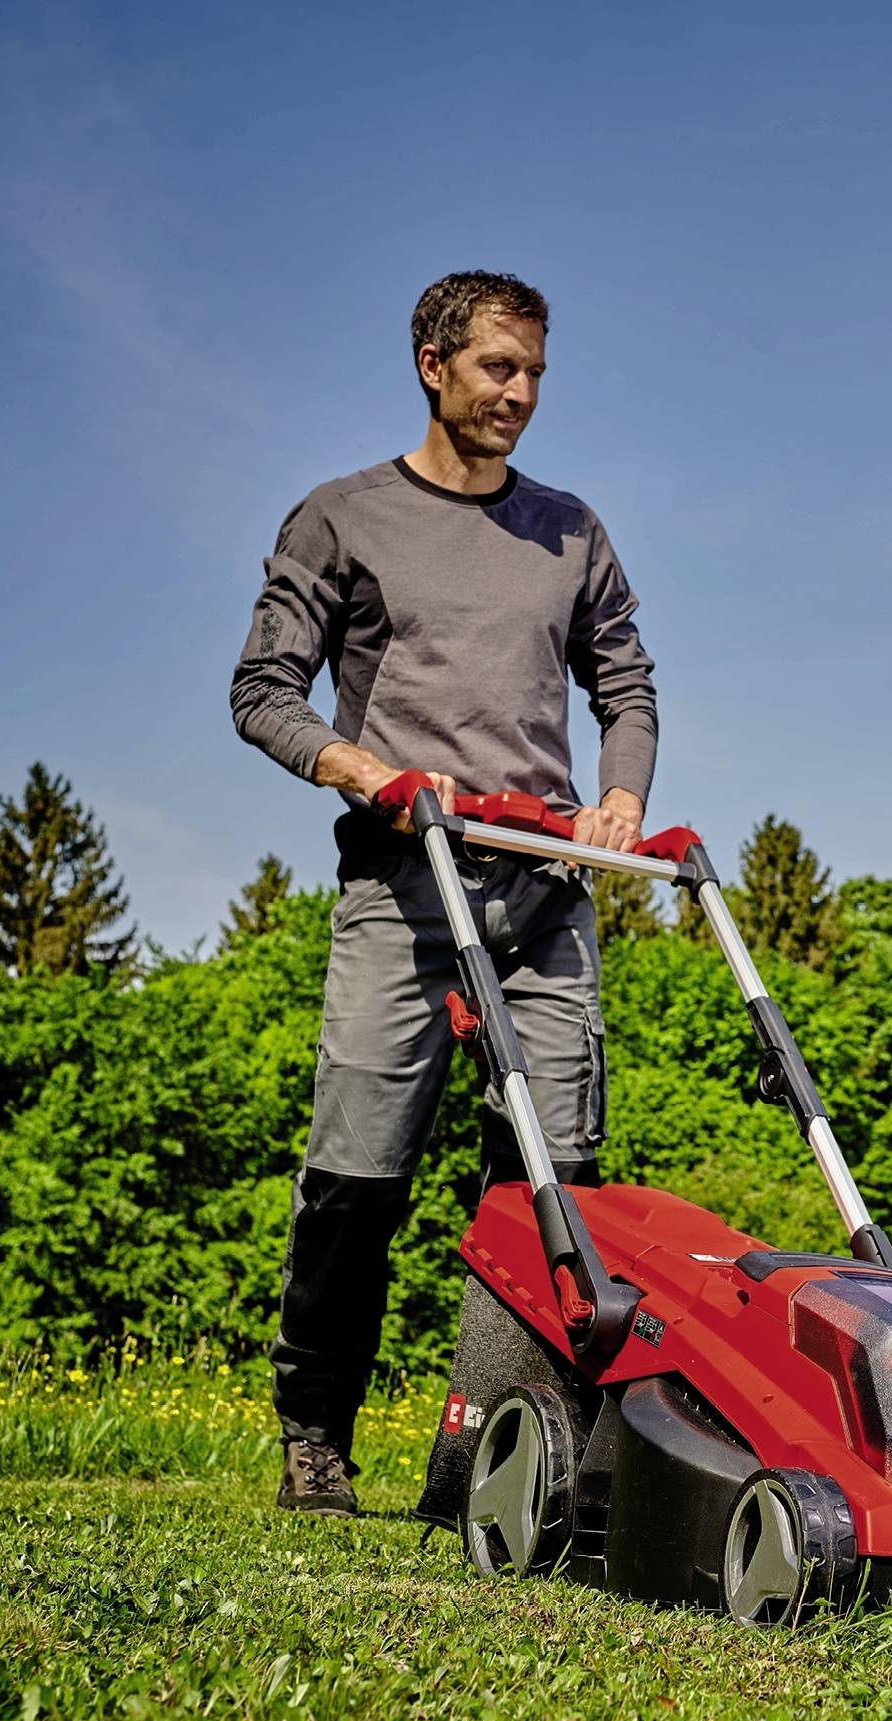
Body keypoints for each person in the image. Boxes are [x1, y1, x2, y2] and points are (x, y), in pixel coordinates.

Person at [230, 270, 657, 1516]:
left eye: (534, 374)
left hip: (545, 891)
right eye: (496, 368)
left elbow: (625, 683)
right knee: (357, 1177)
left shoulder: (571, 529)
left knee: (552, 1185)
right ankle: (315, 1433)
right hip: (403, 885)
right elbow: (262, 690)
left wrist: (619, 798)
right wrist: (361, 768)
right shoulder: (342, 516)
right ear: (433, 363)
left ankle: (494, 1462)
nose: (519, 394)